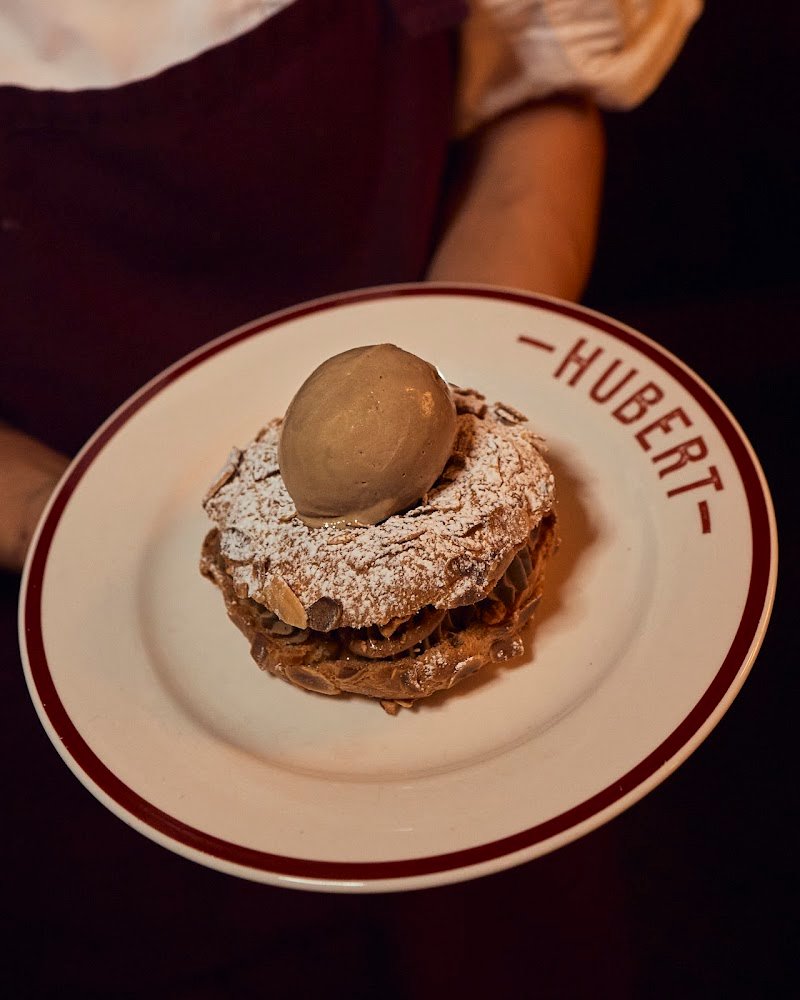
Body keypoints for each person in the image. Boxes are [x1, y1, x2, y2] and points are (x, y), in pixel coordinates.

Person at [0, 0, 701, 571]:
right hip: (54, 484)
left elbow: (531, 110)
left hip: (444, 345)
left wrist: (479, 382)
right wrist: (65, 530)